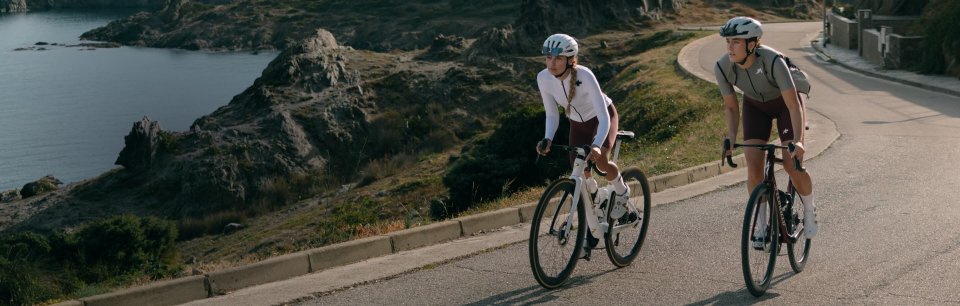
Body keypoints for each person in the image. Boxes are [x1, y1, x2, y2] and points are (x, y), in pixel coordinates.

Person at [714, 17, 818, 248]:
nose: (730, 47)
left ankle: (810, 209)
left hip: (786, 102)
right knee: (753, 165)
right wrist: (731, 136)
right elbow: (731, 106)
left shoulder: (773, 61)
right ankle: (761, 225)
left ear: (752, 44)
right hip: (755, 105)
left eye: (736, 42)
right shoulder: (722, 67)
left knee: (792, 164)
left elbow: (793, 105)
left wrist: (799, 142)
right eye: (728, 41)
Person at [534, 33, 633, 260]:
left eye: (557, 59)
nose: (551, 63)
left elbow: (603, 115)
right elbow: (551, 113)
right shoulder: (543, 78)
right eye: (548, 58)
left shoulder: (584, 75)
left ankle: (622, 192)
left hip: (602, 118)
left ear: (570, 59)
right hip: (577, 125)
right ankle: (597, 202)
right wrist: (547, 138)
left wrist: (598, 145)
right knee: (580, 172)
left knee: (600, 162)